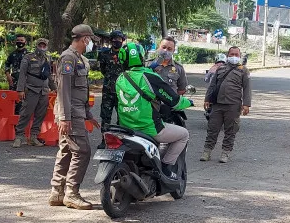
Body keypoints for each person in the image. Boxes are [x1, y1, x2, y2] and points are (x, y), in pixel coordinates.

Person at [116, 43, 193, 177]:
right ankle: (166, 167)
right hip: (148, 128)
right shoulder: (150, 77)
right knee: (184, 134)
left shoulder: (120, 78)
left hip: (126, 128)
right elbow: (174, 101)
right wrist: (188, 102)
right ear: (142, 57)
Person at [48, 24, 100, 210]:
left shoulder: (79, 59)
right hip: (69, 113)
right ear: (84, 39)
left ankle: (57, 192)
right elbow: (63, 91)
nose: (91, 43)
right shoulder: (68, 58)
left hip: (76, 112)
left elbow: (81, 91)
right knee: (82, 150)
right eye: (90, 40)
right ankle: (71, 193)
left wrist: (88, 114)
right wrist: (64, 117)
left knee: (67, 150)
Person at [201, 46, 251, 163]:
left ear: (239, 56)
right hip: (217, 104)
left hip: (233, 105)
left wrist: (246, 104)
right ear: (227, 55)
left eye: (236, 54)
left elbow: (247, 88)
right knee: (212, 129)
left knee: (230, 130)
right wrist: (207, 99)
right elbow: (212, 85)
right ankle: (207, 151)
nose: (234, 56)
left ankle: (225, 153)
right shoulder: (221, 68)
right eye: (231, 54)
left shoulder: (243, 70)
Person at [13, 38, 56, 148]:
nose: (42, 48)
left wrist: (54, 88)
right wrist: (20, 90)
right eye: (40, 45)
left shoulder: (48, 58)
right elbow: (22, 74)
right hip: (31, 89)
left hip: (44, 90)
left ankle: (33, 137)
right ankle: (19, 136)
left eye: (44, 46)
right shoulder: (28, 57)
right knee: (26, 113)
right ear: (36, 46)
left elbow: (49, 75)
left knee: (40, 115)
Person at [95, 30, 126, 148]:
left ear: (122, 40)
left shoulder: (125, 54)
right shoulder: (104, 54)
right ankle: (104, 140)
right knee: (105, 117)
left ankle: (120, 140)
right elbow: (103, 70)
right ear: (111, 40)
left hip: (122, 92)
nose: (116, 41)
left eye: (119, 39)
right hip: (108, 91)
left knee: (122, 117)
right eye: (114, 39)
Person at [5, 34, 29, 114]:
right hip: (14, 82)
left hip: (26, 83)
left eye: (21, 40)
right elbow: (7, 65)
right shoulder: (12, 54)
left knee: (24, 102)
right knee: (12, 101)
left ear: (25, 42)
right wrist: (8, 76)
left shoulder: (29, 55)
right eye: (18, 40)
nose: (20, 42)